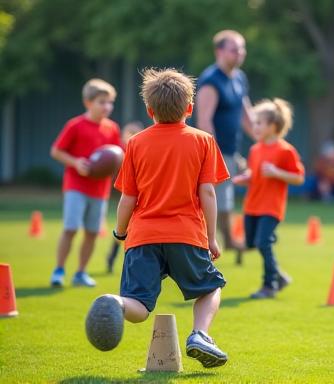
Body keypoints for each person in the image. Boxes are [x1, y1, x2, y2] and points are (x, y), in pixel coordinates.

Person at [85, 68, 230, 368]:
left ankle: (116, 303)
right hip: (186, 234)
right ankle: (200, 334)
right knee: (210, 288)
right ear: (189, 108)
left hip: (142, 237)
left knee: (138, 304)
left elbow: (128, 198)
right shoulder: (203, 141)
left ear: (149, 110)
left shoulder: (135, 143)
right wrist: (211, 237)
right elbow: (209, 194)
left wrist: (120, 232)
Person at [50, 78, 121, 288]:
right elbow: (56, 151)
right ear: (88, 103)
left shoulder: (112, 128)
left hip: (100, 190)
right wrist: (75, 162)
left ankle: (80, 272)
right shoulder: (75, 125)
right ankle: (59, 270)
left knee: (91, 232)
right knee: (71, 228)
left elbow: (118, 157)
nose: (107, 107)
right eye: (102, 102)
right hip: (76, 186)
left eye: (110, 102)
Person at [233, 98, 305, 299]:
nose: (254, 126)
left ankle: (269, 285)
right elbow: (255, 174)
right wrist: (246, 178)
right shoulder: (255, 150)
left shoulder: (285, 150)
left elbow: (299, 178)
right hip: (252, 205)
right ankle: (279, 275)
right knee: (251, 244)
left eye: (258, 123)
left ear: (273, 126)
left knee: (262, 242)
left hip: (271, 207)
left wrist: (277, 172)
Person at [196, 30, 253, 254]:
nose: (240, 53)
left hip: (232, 149)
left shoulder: (239, 77)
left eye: (242, 48)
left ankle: (228, 240)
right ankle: (220, 241)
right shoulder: (211, 80)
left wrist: (265, 141)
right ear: (219, 51)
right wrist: (214, 153)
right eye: (234, 49)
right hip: (215, 151)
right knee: (218, 197)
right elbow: (204, 121)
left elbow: (246, 115)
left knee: (226, 197)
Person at [105, 121, 144, 273]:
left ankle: (124, 261)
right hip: (124, 195)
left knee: (130, 230)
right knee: (122, 228)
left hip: (138, 196)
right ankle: (112, 258)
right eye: (128, 134)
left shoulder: (141, 148)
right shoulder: (118, 151)